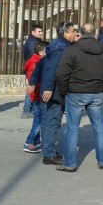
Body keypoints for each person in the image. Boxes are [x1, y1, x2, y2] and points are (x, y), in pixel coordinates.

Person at [56, 23, 103, 171]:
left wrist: (64, 92)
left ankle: (70, 163)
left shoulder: (72, 50)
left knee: (72, 128)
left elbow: (62, 73)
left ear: (80, 33)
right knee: (100, 128)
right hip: (96, 92)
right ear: (94, 33)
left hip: (75, 92)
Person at [29, 21, 78, 166]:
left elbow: (40, 65)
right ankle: (49, 154)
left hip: (50, 89)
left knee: (47, 121)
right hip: (54, 92)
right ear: (65, 33)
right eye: (72, 30)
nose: (75, 33)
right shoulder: (61, 48)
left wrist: (33, 81)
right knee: (52, 122)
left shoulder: (55, 45)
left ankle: (47, 150)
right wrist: (49, 88)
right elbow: (52, 69)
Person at [22, 41, 48, 153]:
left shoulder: (35, 61)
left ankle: (36, 142)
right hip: (38, 94)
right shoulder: (36, 63)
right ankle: (30, 141)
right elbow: (35, 81)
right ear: (42, 52)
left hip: (37, 94)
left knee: (38, 118)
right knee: (39, 120)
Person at [21, 24, 43, 118]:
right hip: (33, 68)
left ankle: (31, 110)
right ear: (33, 32)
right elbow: (32, 57)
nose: (41, 33)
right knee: (32, 88)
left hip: (34, 67)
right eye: (39, 31)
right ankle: (26, 111)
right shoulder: (32, 43)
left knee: (34, 88)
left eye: (41, 31)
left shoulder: (36, 41)